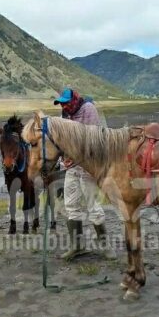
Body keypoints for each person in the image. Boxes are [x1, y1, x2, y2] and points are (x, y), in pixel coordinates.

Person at [53, 88, 116, 260]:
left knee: (92, 205)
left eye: (66, 102)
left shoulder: (88, 109)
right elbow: (63, 139)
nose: (64, 106)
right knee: (71, 205)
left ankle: (105, 245)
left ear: (74, 100)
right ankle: (78, 246)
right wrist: (64, 158)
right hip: (71, 167)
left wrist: (75, 157)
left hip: (89, 164)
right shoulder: (65, 114)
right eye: (62, 103)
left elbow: (92, 139)